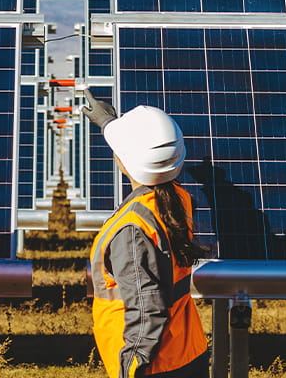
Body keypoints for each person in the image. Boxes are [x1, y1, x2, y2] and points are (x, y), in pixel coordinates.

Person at [82, 97, 210, 378]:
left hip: (155, 365)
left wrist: (132, 365)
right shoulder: (178, 199)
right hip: (187, 349)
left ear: (124, 161)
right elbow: (151, 154)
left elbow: (146, 310)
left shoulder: (132, 231)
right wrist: (108, 124)